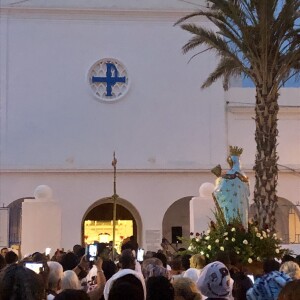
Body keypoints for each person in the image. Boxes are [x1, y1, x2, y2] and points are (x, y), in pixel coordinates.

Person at [213, 146, 250, 229]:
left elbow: (219, 190)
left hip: (231, 205)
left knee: (231, 222)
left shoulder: (227, 176)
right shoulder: (244, 176)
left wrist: (218, 179)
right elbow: (248, 192)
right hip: (242, 206)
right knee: (241, 224)